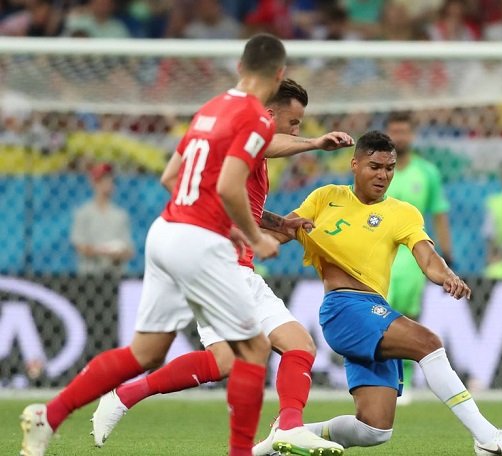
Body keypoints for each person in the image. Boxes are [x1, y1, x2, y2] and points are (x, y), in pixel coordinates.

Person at [20, 33, 287, 456]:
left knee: (145, 352)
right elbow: (229, 185)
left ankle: (47, 417)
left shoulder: (209, 109)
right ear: (279, 75)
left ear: (239, 68)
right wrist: (255, 236)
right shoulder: (258, 118)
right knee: (254, 348)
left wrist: (218, 221)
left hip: (165, 231)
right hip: (199, 242)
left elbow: (170, 177)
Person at [90, 79, 351, 455]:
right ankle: (125, 395)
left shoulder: (244, 147)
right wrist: (314, 143)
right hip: (221, 265)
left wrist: (281, 224)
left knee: (275, 349)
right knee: (262, 352)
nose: (297, 130)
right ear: (269, 115)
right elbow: (265, 146)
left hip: (231, 266)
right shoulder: (251, 135)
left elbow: (244, 206)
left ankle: (288, 426)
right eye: (293, 122)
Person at [253, 131, 502, 456]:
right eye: (374, 167)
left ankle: (284, 434)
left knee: (374, 429)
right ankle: (487, 438)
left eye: (389, 168)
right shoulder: (325, 197)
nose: (383, 175)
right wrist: (240, 226)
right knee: (428, 343)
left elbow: (426, 256)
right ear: (355, 164)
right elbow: (280, 231)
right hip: (344, 308)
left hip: (373, 308)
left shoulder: (402, 212)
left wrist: (446, 275)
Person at [384, 111, 453, 404]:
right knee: (381, 316)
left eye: (404, 131)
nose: (400, 137)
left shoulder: (427, 173)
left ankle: (406, 381)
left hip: (413, 255)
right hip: (380, 252)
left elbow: (439, 213)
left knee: (408, 317)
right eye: (395, 131)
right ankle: (381, 381)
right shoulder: (378, 170)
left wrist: (447, 256)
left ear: (412, 135)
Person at [70, 162, 134, 276]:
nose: (107, 184)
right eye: (102, 180)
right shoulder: (83, 213)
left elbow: (128, 251)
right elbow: (79, 245)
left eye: (110, 180)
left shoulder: (120, 215)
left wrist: (117, 252)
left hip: (115, 275)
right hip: (89, 274)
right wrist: (101, 250)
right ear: (94, 183)